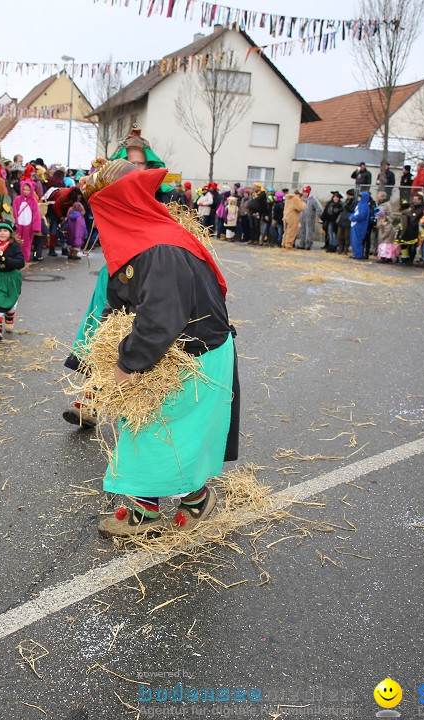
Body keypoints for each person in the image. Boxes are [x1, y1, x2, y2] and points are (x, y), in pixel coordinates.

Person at [82, 160, 238, 537]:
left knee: (160, 432)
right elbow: (123, 295)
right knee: (146, 429)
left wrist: (125, 364)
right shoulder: (142, 238)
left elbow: (159, 319)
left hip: (193, 357)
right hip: (172, 351)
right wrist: (105, 340)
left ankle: (179, 504)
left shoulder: (160, 248)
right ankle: (160, 505)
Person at [13, 178, 40, 261]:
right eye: (24, 189)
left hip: (29, 225)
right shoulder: (17, 199)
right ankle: (16, 256)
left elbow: (36, 214)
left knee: (27, 242)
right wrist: (14, 221)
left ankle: (25, 257)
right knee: (16, 240)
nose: (25, 191)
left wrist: (36, 226)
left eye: (28, 190)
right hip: (19, 224)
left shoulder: (33, 201)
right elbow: (14, 211)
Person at [349, 190, 371, 260]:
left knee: (357, 240)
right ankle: (355, 254)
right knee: (354, 240)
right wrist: (351, 215)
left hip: (359, 225)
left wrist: (353, 217)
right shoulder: (359, 204)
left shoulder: (364, 206)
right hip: (355, 225)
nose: (358, 197)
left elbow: (361, 215)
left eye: (359, 196)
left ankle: (358, 255)